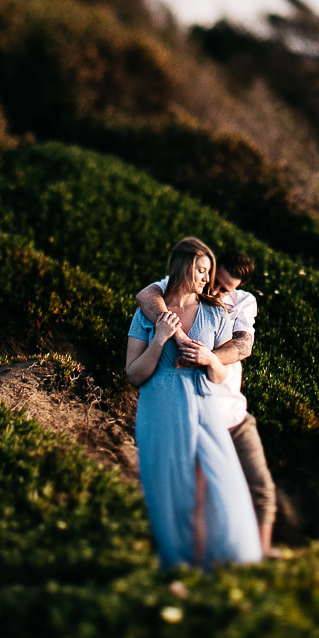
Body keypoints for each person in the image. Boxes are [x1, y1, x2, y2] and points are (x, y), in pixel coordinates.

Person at [124, 238, 262, 569]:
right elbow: (134, 375)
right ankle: (175, 565)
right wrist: (159, 339)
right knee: (167, 493)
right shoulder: (148, 310)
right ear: (183, 268)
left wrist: (208, 358)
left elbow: (220, 372)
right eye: (201, 271)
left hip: (202, 410)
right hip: (159, 411)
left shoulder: (216, 313)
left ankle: (204, 566)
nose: (206, 279)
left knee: (204, 491)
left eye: (209, 272)